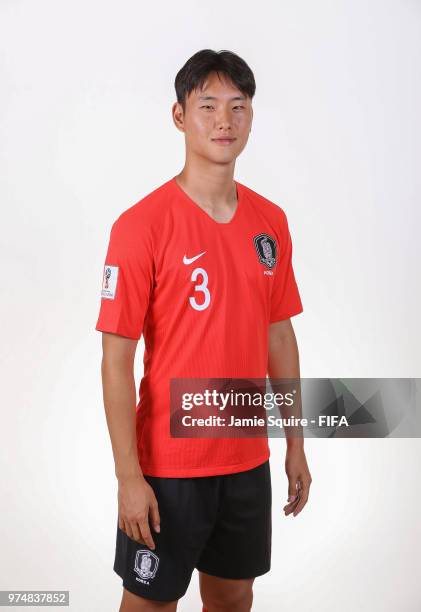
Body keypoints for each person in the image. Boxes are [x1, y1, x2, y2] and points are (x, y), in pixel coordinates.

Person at [95, 48, 312, 612]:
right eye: (208, 105)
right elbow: (115, 359)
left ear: (251, 118)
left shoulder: (271, 222)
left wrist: (294, 442)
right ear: (179, 115)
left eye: (238, 107)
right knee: (148, 605)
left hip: (246, 461)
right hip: (169, 469)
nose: (224, 121)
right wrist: (128, 477)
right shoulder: (141, 225)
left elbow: (279, 337)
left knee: (234, 598)